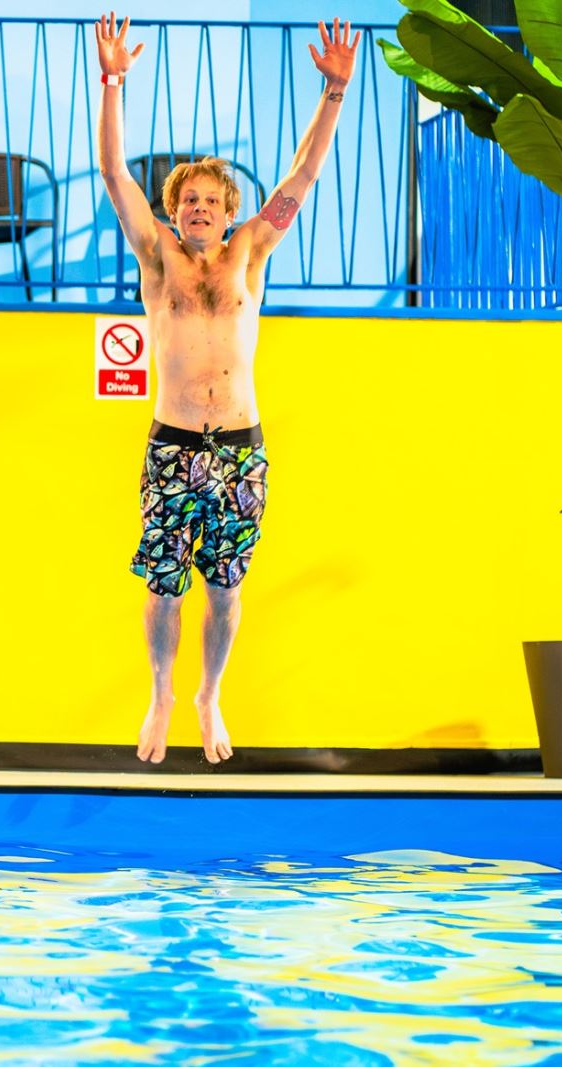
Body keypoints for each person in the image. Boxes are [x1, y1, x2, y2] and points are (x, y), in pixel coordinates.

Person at [96, 13, 358, 764]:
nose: (199, 209)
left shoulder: (251, 254)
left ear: (231, 210)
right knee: (164, 585)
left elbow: (303, 174)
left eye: (211, 200)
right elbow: (115, 174)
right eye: (188, 201)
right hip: (173, 446)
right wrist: (113, 81)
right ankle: (162, 693)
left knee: (225, 586)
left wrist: (334, 90)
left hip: (240, 448)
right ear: (174, 211)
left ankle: (210, 693)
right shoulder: (159, 261)